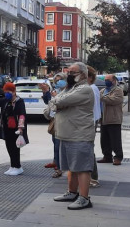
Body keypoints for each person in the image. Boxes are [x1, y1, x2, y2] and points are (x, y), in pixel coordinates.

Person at [47, 62, 96, 210]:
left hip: (79, 134)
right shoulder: (69, 88)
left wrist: (55, 102)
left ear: (83, 74)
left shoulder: (84, 89)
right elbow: (54, 104)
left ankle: (84, 198)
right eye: (68, 72)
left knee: (82, 168)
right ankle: (72, 192)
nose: (69, 75)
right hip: (66, 134)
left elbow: (60, 101)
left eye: (73, 72)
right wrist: (55, 103)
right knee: (71, 167)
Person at [0, 82, 29, 176]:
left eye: (8, 91)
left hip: (16, 129)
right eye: (5, 91)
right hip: (7, 128)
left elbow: (22, 115)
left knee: (15, 148)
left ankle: (18, 166)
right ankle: (12, 166)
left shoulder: (19, 101)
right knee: (9, 147)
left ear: (14, 92)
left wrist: (20, 128)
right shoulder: (5, 100)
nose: (6, 93)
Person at [42, 73, 66, 178]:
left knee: (61, 146)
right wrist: (46, 92)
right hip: (55, 121)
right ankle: (57, 165)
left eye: (60, 80)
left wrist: (56, 98)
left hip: (65, 123)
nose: (57, 83)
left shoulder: (68, 92)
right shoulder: (55, 92)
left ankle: (61, 167)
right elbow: (49, 103)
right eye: (56, 81)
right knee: (56, 145)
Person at [98, 74, 124, 165]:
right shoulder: (103, 90)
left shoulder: (118, 90)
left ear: (114, 80)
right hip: (104, 118)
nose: (106, 81)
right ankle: (107, 156)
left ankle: (118, 157)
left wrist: (102, 97)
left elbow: (114, 100)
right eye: (105, 79)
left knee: (115, 140)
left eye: (108, 79)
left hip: (113, 119)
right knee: (104, 140)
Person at [86, 65, 101, 188]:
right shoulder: (91, 88)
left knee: (88, 149)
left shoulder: (91, 88)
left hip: (89, 122)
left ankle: (93, 177)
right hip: (90, 121)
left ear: (90, 78)